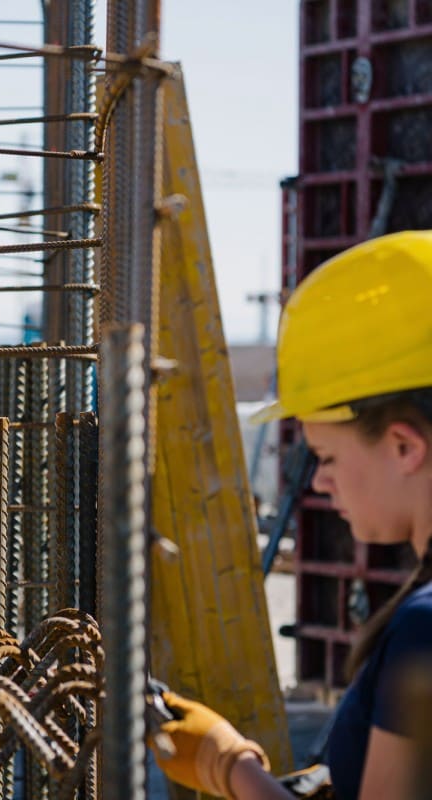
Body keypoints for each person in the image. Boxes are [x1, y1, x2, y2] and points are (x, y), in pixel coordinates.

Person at [150, 230, 432, 800]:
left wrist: (227, 767)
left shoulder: (423, 632)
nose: (321, 481)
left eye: (327, 456)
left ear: (404, 447)